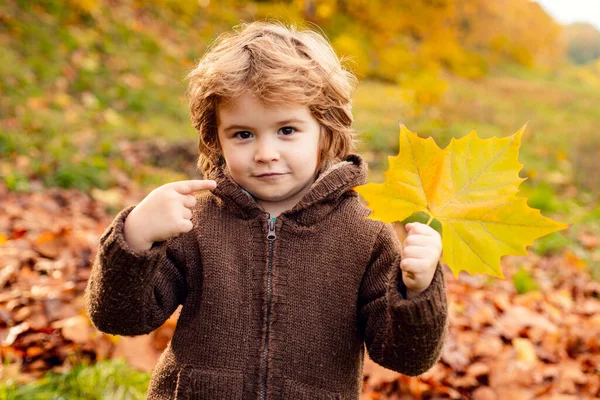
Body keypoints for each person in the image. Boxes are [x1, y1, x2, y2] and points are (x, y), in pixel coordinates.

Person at [85, 20, 448, 400]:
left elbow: (406, 358)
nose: (265, 153)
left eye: (287, 130)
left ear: (325, 131)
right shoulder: (195, 222)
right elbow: (120, 318)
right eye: (243, 134)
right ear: (217, 139)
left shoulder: (364, 231)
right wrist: (135, 239)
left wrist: (418, 292)